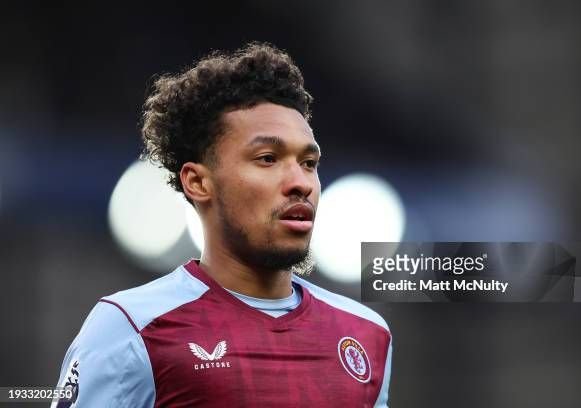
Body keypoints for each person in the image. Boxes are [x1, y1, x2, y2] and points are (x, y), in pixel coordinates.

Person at [52, 42, 392, 407]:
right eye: (268, 158)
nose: (301, 183)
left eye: (308, 163)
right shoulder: (131, 328)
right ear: (198, 182)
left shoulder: (366, 333)